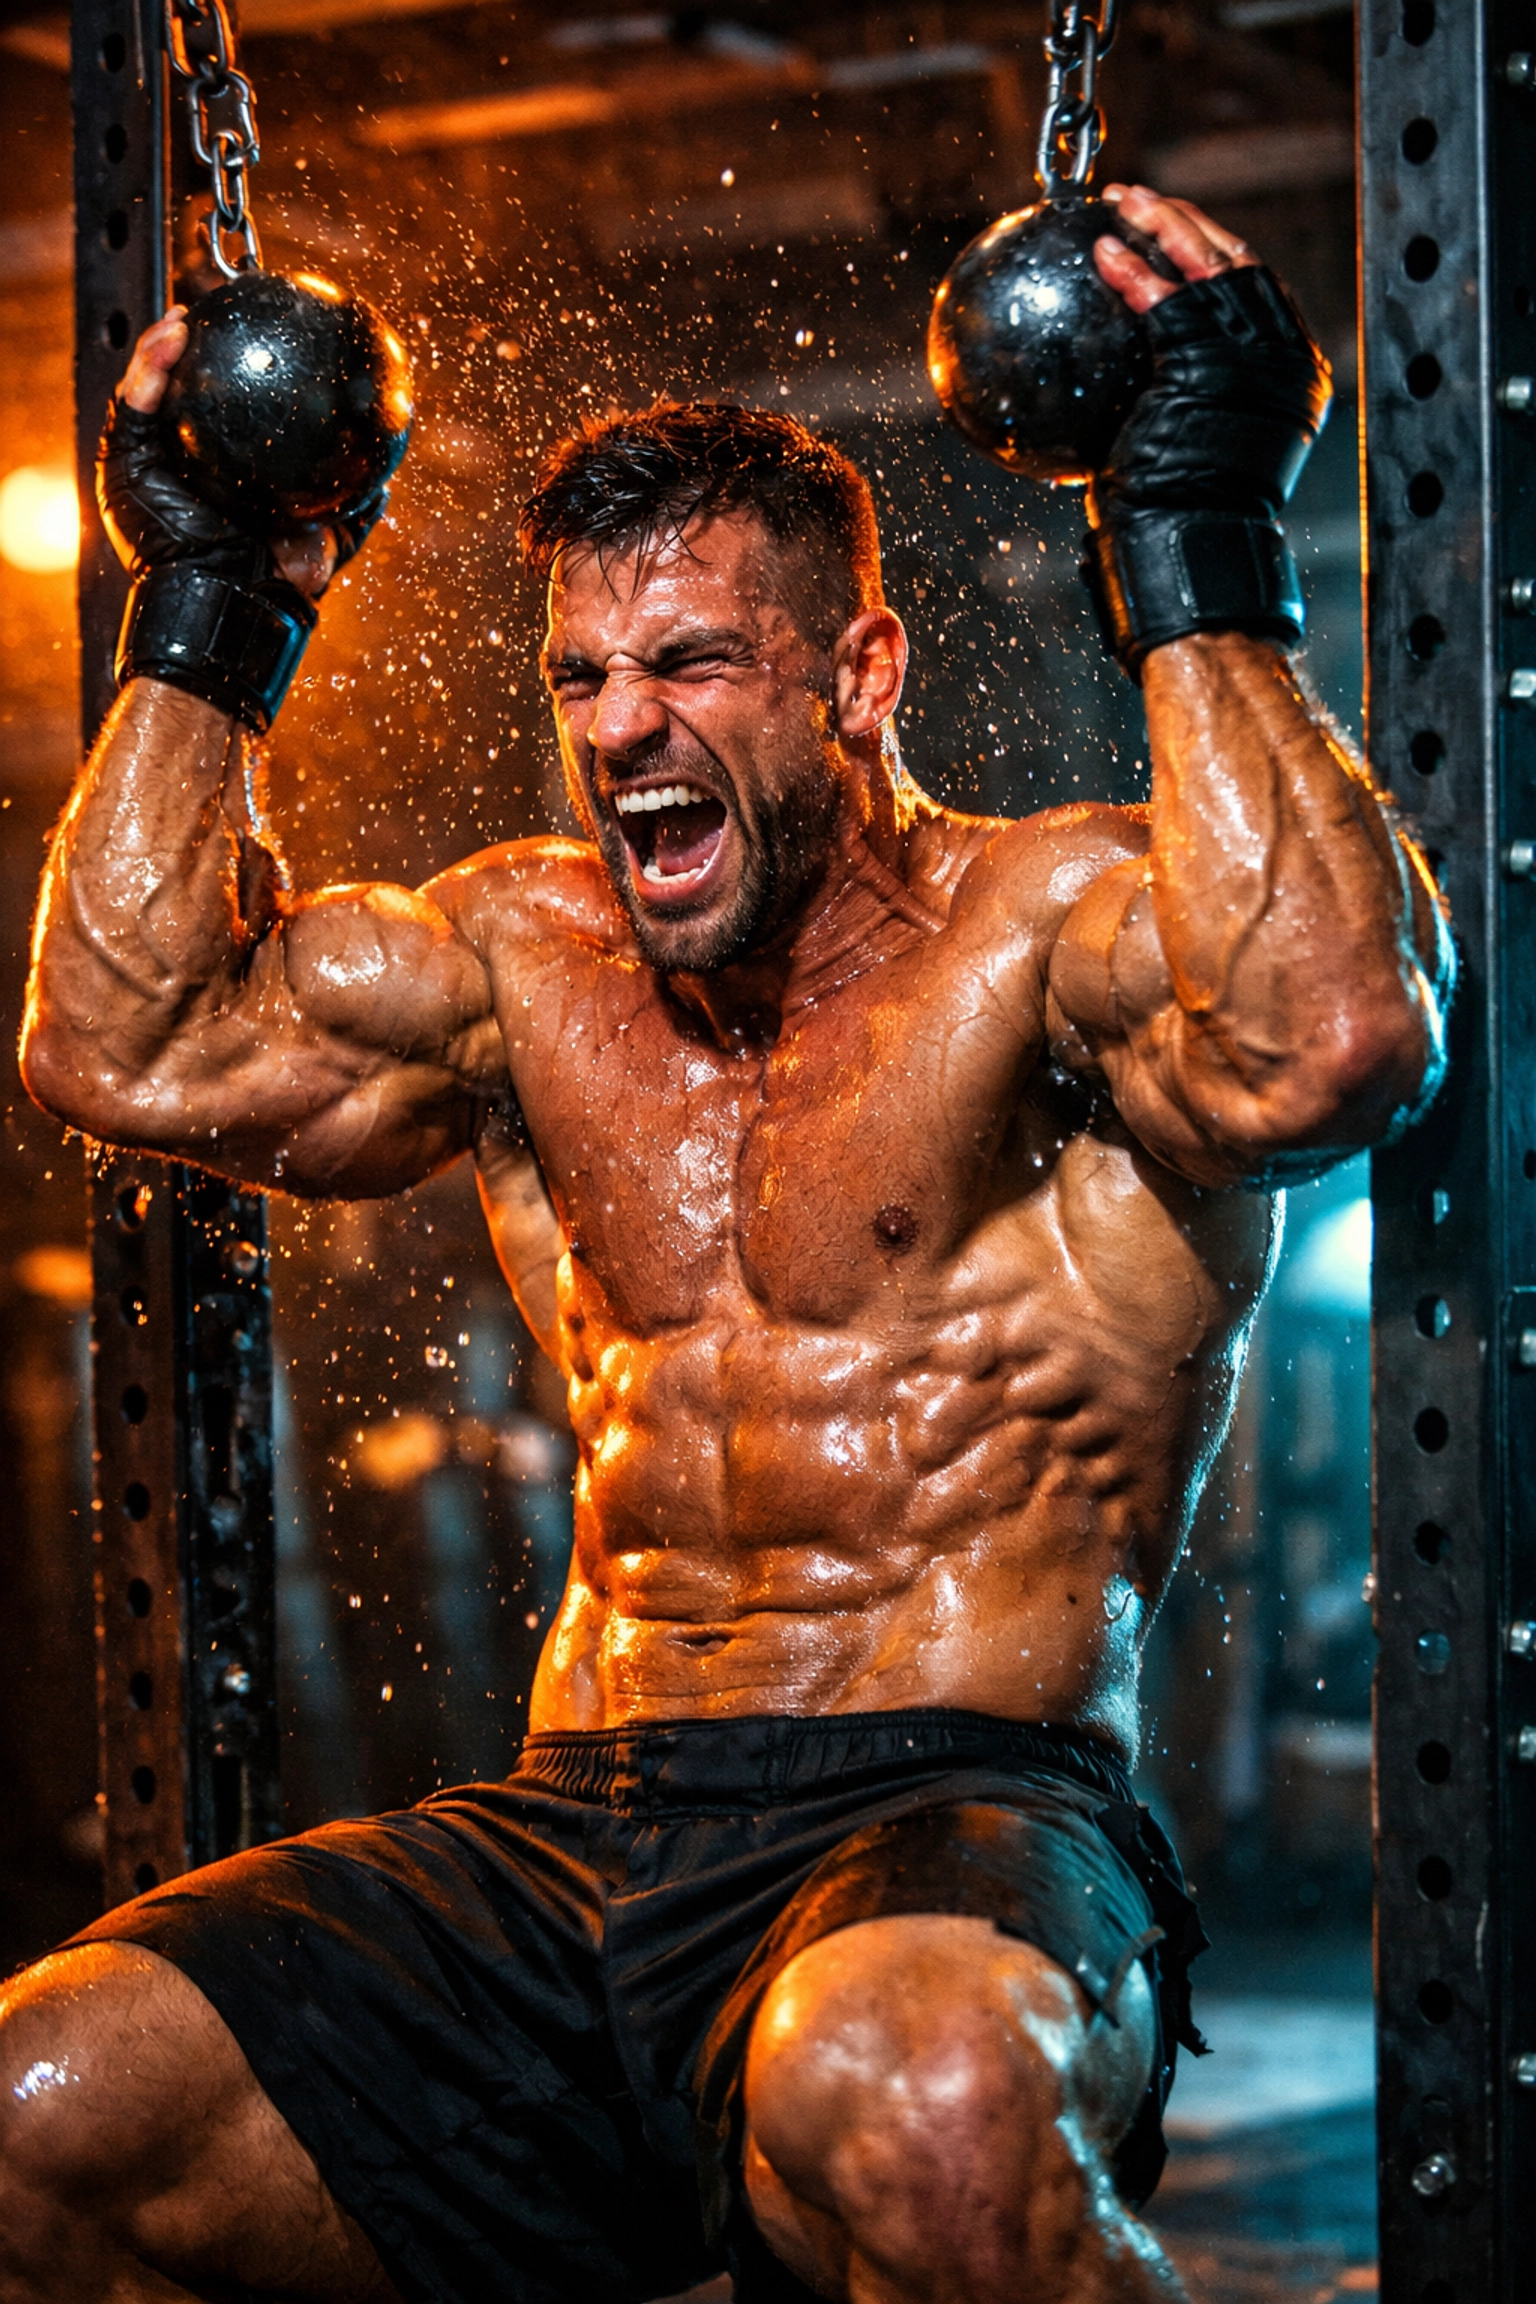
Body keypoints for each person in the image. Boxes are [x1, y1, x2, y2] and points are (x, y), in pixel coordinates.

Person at [7, 185, 1446, 2304]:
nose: (618, 727)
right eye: (584, 672)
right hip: (580, 1820)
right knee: (49, 2102)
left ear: (857, 675)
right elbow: (123, 1042)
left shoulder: (1049, 936)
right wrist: (213, 604)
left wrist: (1195, 540)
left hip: (958, 1810)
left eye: (689, 660)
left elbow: (1330, 1039)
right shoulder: (525, 957)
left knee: (914, 2093)